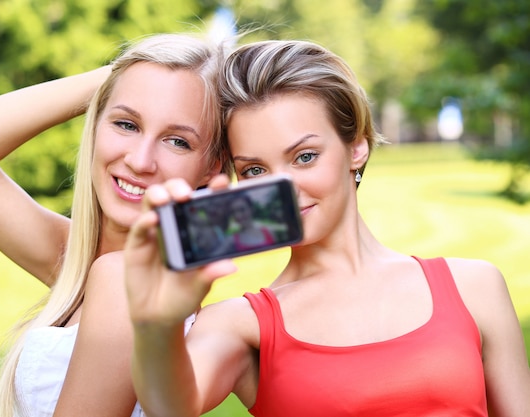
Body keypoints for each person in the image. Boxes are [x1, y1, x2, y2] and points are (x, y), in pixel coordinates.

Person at [123, 39, 530, 416]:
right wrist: (155, 324)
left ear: (356, 146)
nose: (283, 188)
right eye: (255, 170)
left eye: (304, 157)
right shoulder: (241, 324)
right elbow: (169, 406)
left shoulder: (474, 286)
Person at [0, 33, 231, 417]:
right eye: (126, 124)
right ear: (96, 122)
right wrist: (121, 74)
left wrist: (125, 79)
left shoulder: (127, 283)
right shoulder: (78, 259)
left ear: (213, 166)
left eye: (177, 142)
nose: (139, 160)